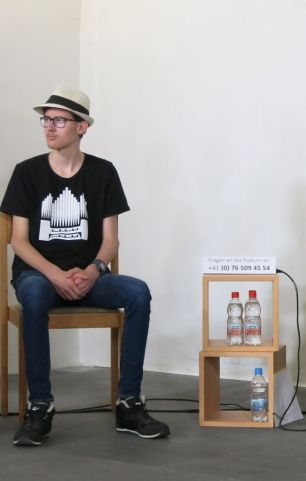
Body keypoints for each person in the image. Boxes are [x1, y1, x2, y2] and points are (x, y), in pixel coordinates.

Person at [0, 88, 170, 446]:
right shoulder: (27, 172)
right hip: (41, 276)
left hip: (89, 277)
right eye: (46, 119)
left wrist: (92, 270)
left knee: (138, 292)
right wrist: (55, 275)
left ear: (82, 127)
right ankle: (40, 407)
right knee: (32, 292)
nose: (49, 127)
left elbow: (110, 241)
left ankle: (129, 403)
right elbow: (19, 241)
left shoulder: (103, 173)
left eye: (59, 120)